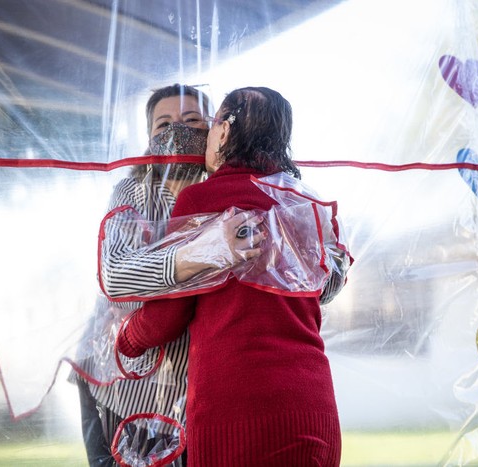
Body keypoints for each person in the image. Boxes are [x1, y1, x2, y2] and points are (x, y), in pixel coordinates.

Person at [116, 87, 344, 466]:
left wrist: (127, 338)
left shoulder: (201, 200)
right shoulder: (308, 203)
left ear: (222, 132)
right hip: (314, 405)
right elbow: (326, 286)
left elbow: (168, 315)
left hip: (235, 410)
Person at [71, 83, 263, 466]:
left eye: (192, 119)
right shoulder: (132, 192)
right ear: (148, 139)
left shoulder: (240, 192)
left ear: (217, 129)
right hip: (118, 387)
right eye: (163, 124)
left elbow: (283, 276)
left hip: (202, 394)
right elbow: (116, 274)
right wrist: (200, 255)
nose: (177, 129)